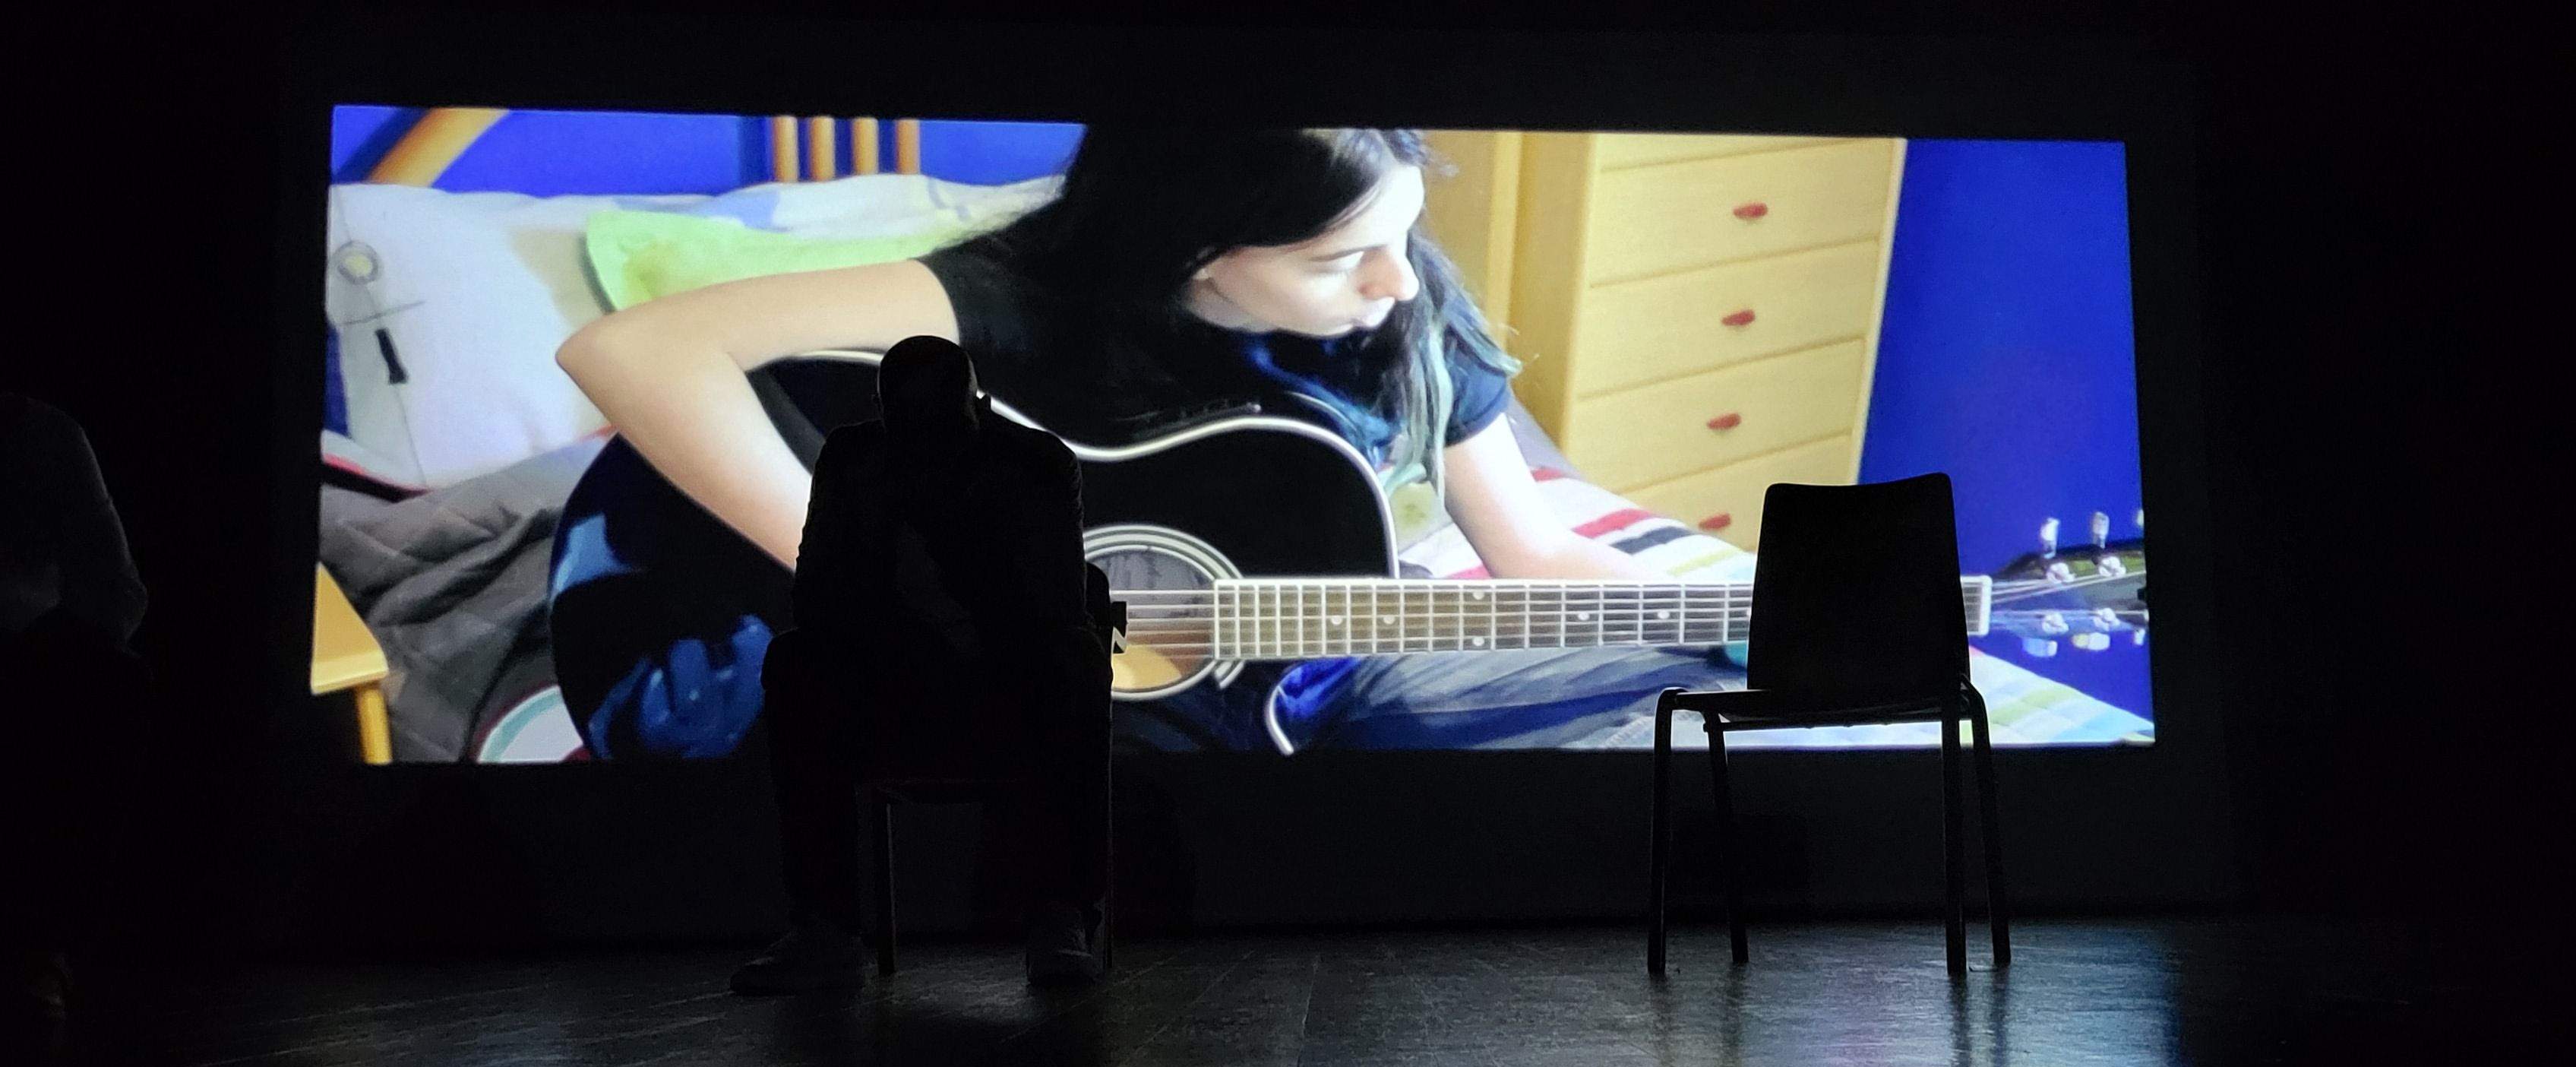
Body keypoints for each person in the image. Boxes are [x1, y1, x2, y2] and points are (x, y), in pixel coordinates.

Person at [555, 126, 1741, 761]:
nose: (1395, 280)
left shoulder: (1405, 309)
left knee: (1722, 666)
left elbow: (1530, 560)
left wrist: (1721, 610)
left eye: (1406, 232)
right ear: (1196, 250)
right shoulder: (1019, 299)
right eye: (1336, 260)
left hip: (1300, 674)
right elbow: (630, 354)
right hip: (898, 679)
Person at [731, 337, 1113, 995]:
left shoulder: (1032, 463)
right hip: (889, 678)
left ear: (977, 407)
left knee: (1070, 659)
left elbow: (1053, 603)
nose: (926, 450)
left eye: (940, 427)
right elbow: (817, 592)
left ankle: (1059, 918)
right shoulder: (857, 461)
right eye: (909, 429)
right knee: (794, 663)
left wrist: (946, 573)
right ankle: (824, 927)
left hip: (1005, 678)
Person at [0, 391, 154, 1067]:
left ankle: (45, 956)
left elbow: (118, 593)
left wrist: (43, 640)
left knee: (110, 684)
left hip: (25, 657)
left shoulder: (41, 435)